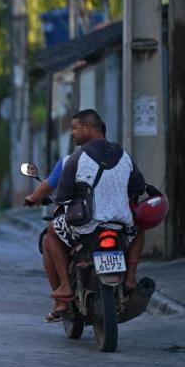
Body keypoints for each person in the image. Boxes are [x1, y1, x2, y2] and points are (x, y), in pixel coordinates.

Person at [40, 110, 146, 320]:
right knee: (140, 226)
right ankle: (131, 277)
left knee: (51, 233)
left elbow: (63, 196)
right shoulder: (124, 155)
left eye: (75, 128)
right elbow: (139, 186)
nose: (73, 133)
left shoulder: (77, 158)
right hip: (120, 224)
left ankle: (65, 288)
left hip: (87, 225)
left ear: (88, 128)